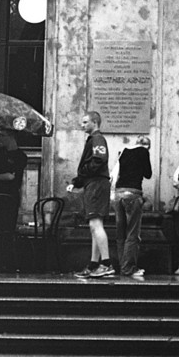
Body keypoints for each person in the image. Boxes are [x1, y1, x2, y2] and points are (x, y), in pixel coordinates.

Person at [68, 111, 114, 279]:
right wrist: (79, 181)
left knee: (95, 224)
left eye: (85, 122)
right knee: (95, 225)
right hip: (94, 183)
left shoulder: (97, 139)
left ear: (95, 122)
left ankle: (106, 264)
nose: (82, 125)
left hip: (96, 183)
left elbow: (99, 159)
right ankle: (94, 264)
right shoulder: (95, 139)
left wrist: (81, 176)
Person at [112, 135, 152, 279]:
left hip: (118, 194)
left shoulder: (124, 151)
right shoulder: (143, 152)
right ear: (147, 146)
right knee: (132, 233)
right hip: (133, 194)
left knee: (120, 233)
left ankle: (123, 266)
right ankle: (128, 268)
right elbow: (148, 174)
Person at [0, 130, 28, 272]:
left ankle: (7, 263)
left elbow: (11, 177)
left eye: (3, 136)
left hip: (9, 196)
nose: (0, 138)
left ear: (11, 137)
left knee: (7, 229)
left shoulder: (20, 156)